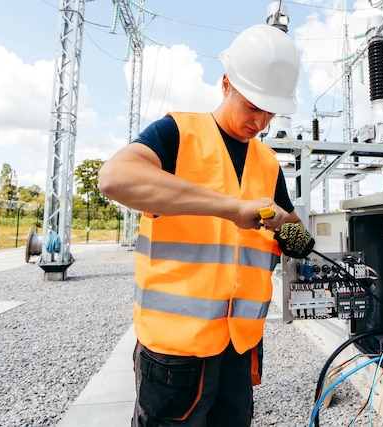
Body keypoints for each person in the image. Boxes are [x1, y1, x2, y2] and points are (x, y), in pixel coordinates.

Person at [98, 23, 302, 427]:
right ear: (226, 84)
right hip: (176, 353)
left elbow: (299, 242)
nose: (260, 121)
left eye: (270, 111)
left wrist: (286, 224)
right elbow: (115, 178)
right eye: (252, 106)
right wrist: (229, 208)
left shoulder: (267, 162)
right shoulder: (177, 133)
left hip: (239, 347)